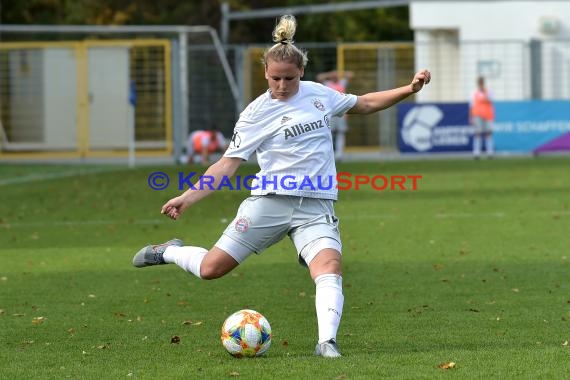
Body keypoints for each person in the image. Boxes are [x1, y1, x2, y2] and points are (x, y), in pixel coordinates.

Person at [133, 14, 430, 358]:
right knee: (210, 269)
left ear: (301, 73)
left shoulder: (319, 95)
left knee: (329, 268)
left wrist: (409, 90)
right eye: (275, 78)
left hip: (316, 206)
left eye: (289, 78)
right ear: (265, 74)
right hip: (269, 203)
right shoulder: (255, 114)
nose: (282, 85)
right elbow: (226, 165)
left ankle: (326, 344)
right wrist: (188, 197)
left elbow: (362, 104)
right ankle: (167, 251)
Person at [316, 70, 354, 161]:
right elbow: (319, 77)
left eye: (335, 75)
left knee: (341, 133)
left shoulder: (342, 83)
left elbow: (351, 74)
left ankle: (339, 154)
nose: (334, 77)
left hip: (341, 113)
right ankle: (329, 154)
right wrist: (329, 74)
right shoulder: (327, 84)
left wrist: (339, 73)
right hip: (330, 113)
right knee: (330, 133)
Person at [469, 76, 494, 159]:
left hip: (487, 114)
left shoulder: (488, 91)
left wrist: (483, 94)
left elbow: (491, 100)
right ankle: (476, 153)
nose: (480, 83)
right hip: (477, 114)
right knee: (477, 133)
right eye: (479, 82)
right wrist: (471, 117)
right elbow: (471, 105)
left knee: (488, 133)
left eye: (481, 82)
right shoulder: (474, 92)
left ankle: (490, 153)